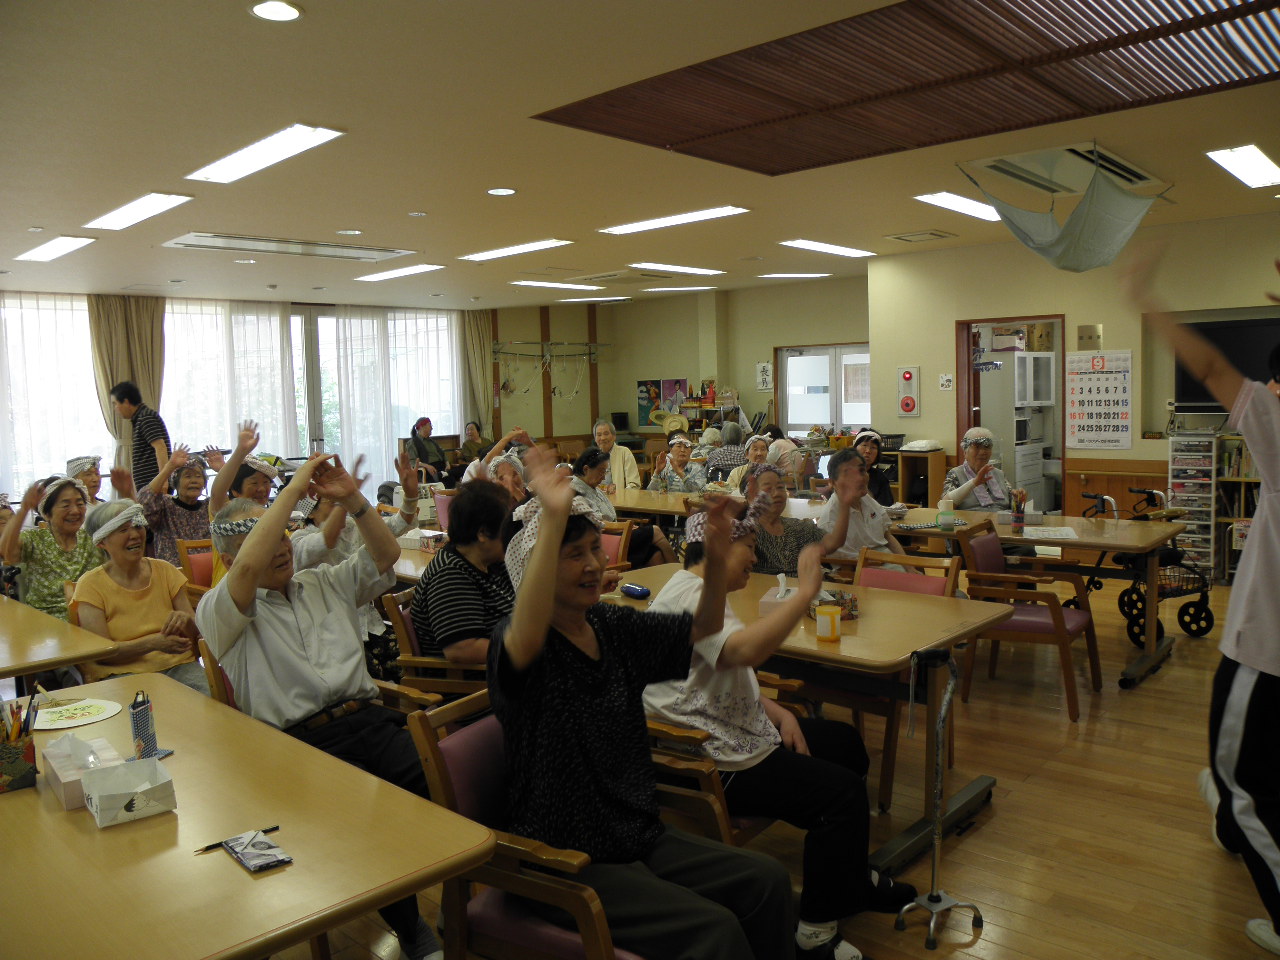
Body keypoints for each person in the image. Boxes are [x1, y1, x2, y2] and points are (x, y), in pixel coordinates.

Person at [489, 450, 796, 960]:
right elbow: (527, 630)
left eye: (595, 548)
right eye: (574, 555)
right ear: (533, 571)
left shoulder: (608, 625)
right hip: (566, 855)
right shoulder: (518, 645)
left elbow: (702, 627)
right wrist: (554, 518)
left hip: (634, 831)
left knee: (767, 879)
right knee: (715, 930)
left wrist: (715, 560)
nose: (594, 564)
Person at [645, 498, 916, 960]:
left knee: (845, 745)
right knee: (841, 795)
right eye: (748, 547)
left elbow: (716, 674)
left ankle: (849, 879)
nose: (755, 557)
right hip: (710, 758)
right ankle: (815, 933)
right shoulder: (692, 598)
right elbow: (744, 653)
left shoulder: (690, 587)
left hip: (727, 730)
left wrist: (779, 712)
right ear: (716, 549)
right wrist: (805, 592)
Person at [196, 454, 442, 960]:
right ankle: (411, 928)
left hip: (370, 720)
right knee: (372, 812)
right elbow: (249, 567)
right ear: (232, 558)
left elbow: (384, 555)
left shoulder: (322, 582)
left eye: (285, 536)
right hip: (300, 747)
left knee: (448, 779)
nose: (282, 547)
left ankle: (478, 900)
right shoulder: (223, 611)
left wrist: (352, 499)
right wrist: (293, 489)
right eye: (267, 540)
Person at [1129, 255, 1280, 957]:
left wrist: (1145, 300)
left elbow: (1214, 367)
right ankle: (1230, 828)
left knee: (1237, 780)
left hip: (1264, 654)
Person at [292, 453, 421, 681]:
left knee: (412, 668)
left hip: (370, 625)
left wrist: (410, 496)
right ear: (311, 511)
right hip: (333, 638)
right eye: (331, 502)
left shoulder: (352, 525)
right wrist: (347, 497)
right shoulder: (300, 540)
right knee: (377, 680)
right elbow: (326, 540)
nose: (339, 506)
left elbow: (397, 526)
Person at [72, 501, 208, 693]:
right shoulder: (90, 585)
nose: (135, 535)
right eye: (123, 529)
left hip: (178, 666)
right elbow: (102, 653)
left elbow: (195, 631)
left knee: (213, 704)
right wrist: (152, 644)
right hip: (122, 673)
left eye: (137, 526)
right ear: (102, 542)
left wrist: (186, 620)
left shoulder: (165, 570)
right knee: (143, 711)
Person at [410, 479, 512, 663]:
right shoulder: (450, 575)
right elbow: (463, 649)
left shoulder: (492, 562)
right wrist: (527, 649)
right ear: (482, 533)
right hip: (478, 677)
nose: (512, 536)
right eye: (507, 529)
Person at [0, 476, 101, 620]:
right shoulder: (35, 539)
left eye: (80, 504)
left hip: (92, 618)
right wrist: (24, 509)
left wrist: (127, 492)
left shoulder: (93, 537)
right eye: (65, 506)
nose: (75, 511)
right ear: (47, 514)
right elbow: (7, 552)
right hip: (46, 622)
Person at [570, 446, 675, 567]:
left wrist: (624, 526)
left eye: (605, 472)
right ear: (586, 469)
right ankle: (678, 571)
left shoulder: (593, 487)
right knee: (655, 531)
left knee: (654, 553)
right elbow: (596, 524)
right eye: (601, 472)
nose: (603, 477)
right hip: (603, 539)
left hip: (616, 532)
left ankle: (669, 577)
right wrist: (623, 527)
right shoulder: (575, 491)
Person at [746, 463, 852, 577]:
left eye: (780, 487)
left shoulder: (799, 528)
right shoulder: (747, 532)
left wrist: (844, 504)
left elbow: (833, 543)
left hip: (803, 587)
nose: (776, 493)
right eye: (768, 489)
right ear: (752, 495)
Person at [128, 445, 221, 567]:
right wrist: (170, 467)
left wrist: (222, 470)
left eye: (198, 476)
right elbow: (143, 502)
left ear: (204, 483)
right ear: (176, 482)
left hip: (210, 570)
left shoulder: (209, 506)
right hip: (173, 572)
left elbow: (233, 502)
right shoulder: (164, 505)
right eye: (188, 476)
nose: (194, 480)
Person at [818, 449, 912, 564]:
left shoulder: (866, 499)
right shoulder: (830, 521)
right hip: (865, 569)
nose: (860, 478)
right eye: (850, 475)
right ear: (832, 483)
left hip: (887, 560)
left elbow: (887, 537)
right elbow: (847, 564)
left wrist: (908, 565)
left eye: (862, 471)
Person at [110, 380, 171, 489]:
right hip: (151, 487)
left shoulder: (146, 417)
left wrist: (164, 482)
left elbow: (160, 447)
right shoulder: (140, 418)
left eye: (115, 404)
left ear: (126, 402)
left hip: (157, 487)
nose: (115, 409)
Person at [940, 426, 1015, 512]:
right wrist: (974, 482)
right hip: (971, 519)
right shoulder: (955, 474)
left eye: (987, 447)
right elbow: (945, 505)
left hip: (1001, 519)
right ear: (965, 452)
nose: (983, 452)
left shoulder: (999, 474)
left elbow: (1013, 504)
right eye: (977, 447)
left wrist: (1018, 499)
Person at [592, 418, 640, 492]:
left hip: (620, 497)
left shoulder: (624, 453)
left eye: (606, 434)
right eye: (599, 435)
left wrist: (620, 494)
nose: (603, 438)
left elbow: (634, 484)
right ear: (595, 439)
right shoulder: (591, 456)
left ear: (614, 436)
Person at [852, 430, 894, 506]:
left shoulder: (880, 478)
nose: (868, 451)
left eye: (873, 447)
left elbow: (886, 506)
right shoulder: (844, 473)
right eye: (864, 445)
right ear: (855, 448)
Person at [407, 417, 450, 485]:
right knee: (449, 480)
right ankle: (444, 474)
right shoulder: (412, 443)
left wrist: (447, 464)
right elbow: (412, 461)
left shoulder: (432, 441)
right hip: (429, 469)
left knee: (464, 468)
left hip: (441, 466)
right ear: (422, 427)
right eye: (430, 425)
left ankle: (444, 474)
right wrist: (427, 466)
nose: (432, 428)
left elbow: (442, 453)